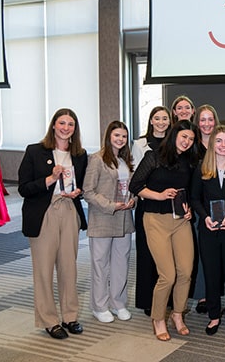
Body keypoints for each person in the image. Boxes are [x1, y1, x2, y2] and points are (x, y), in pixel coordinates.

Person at [18, 108, 88, 339]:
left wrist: (79, 191)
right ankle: (49, 320)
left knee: (69, 268)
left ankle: (70, 316)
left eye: (70, 124)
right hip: (44, 212)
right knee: (44, 269)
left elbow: (84, 185)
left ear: (75, 129)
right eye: (62, 123)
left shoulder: (80, 154)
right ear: (53, 125)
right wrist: (50, 179)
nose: (66, 128)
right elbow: (23, 188)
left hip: (69, 211)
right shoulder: (35, 151)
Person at [129, 120, 199, 341]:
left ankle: (177, 314)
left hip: (180, 221)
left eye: (190, 139)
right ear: (174, 135)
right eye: (184, 137)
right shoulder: (154, 156)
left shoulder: (190, 161)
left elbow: (189, 192)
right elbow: (135, 185)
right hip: (155, 220)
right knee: (167, 275)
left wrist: (188, 211)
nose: (187, 142)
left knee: (186, 272)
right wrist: (158, 195)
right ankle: (158, 318)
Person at [190, 125, 225, 336]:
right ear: (212, 143)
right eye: (219, 141)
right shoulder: (201, 170)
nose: (223, 145)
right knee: (212, 274)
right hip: (209, 231)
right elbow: (194, 198)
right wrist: (205, 216)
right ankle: (214, 316)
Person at [83, 121, 136, 323]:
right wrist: (110, 205)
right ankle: (99, 305)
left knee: (121, 263)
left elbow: (132, 186)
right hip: (103, 217)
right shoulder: (96, 159)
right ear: (108, 136)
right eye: (116, 135)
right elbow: (88, 191)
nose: (120, 139)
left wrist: (133, 200)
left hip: (124, 218)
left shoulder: (125, 160)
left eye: (123, 136)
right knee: (100, 265)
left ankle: (118, 303)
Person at [131, 106, 171, 317]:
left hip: (169, 206)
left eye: (165, 118)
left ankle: (167, 298)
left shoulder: (173, 142)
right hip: (148, 202)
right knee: (147, 253)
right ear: (151, 121)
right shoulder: (140, 144)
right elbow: (137, 175)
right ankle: (148, 300)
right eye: (157, 118)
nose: (162, 122)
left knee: (167, 255)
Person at [191, 104, 219, 314]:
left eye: (210, 119)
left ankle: (219, 294)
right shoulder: (191, 145)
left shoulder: (223, 142)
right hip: (199, 209)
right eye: (203, 119)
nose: (207, 123)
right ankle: (203, 295)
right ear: (197, 122)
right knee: (202, 255)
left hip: (221, 208)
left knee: (223, 254)